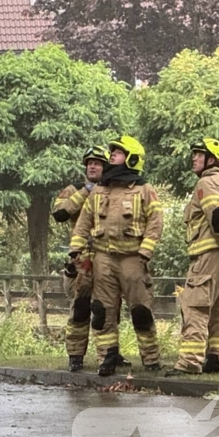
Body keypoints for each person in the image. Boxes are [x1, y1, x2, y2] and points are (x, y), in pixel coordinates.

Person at [70, 135, 163, 376]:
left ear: (131, 158)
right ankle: (107, 357)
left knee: (140, 311)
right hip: (103, 259)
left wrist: (146, 250)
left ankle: (151, 360)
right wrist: (76, 248)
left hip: (133, 258)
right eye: (112, 152)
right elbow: (84, 221)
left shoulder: (144, 189)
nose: (112, 155)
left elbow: (155, 221)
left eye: (118, 152)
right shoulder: (99, 190)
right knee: (102, 311)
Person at [167, 139, 219, 376]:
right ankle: (218, 359)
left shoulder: (205, 183)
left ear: (211, 159)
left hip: (209, 257)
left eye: (198, 154)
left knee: (195, 307)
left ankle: (190, 362)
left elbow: (218, 219)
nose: (194, 158)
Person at [53, 145, 107, 372]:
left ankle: (108, 355)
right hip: (82, 258)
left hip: (106, 257)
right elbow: (59, 213)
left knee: (106, 308)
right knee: (80, 308)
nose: (93, 166)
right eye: (89, 163)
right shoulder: (74, 189)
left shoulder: (112, 190)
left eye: (98, 163)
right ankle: (75, 355)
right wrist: (86, 191)